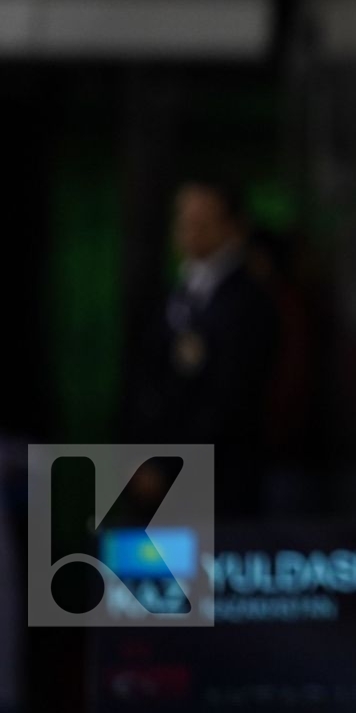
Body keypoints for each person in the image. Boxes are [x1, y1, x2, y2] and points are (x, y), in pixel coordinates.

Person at [123, 181, 279, 519]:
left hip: (219, 484)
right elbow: (148, 380)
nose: (189, 230)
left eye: (202, 221)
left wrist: (167, 467)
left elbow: (231, 398)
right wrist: (138, 458)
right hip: (159, 484)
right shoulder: (174, 295)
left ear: (233, 228)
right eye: (183, 219)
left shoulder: (249, 302)